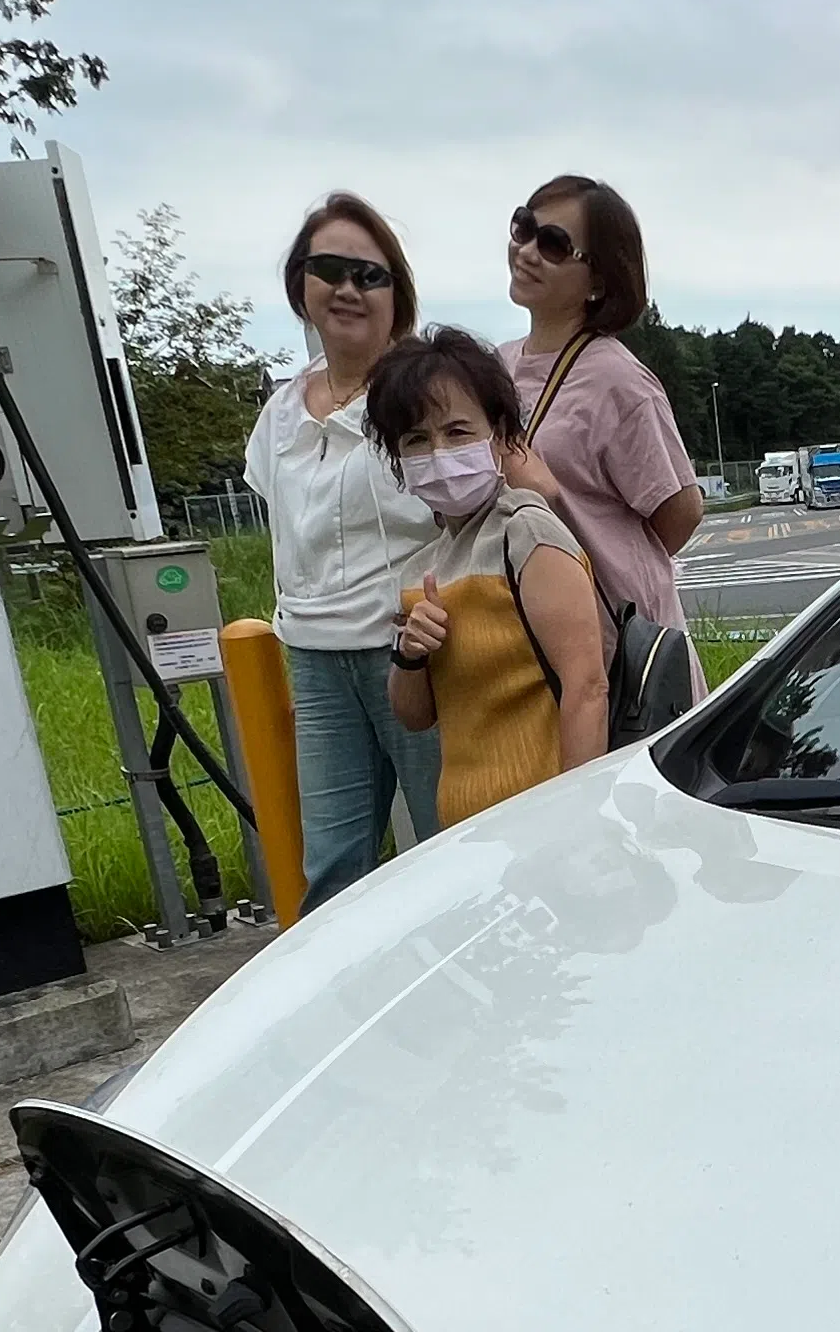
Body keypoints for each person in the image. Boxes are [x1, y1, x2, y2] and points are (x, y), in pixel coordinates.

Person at [242, 194, 438, 905]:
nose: (349, 289)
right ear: (301, 282)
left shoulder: (426, 394)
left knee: (452, 842)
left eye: (370, 274)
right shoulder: (282, 412)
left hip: (419, 654)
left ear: (397, 294)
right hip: (316, 661)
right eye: (329, 269)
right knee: (330, 869)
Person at [373, 329, 611, 822]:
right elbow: (415, 718)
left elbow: (588, 686)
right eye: (416, 439)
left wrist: (579, 816)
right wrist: (410, 654)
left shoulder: (526, 530)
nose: (438, 452)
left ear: (500, 437)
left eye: (457, 432)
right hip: (465, 829)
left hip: (544, 818)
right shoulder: (424, 567)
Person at [501, 177, 705, 648]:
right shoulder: (495, 367)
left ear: (597, 280)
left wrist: (607, 555)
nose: (527, 251)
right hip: (530, 637)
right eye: (523, 228)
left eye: (554, 244)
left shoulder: (619, 381)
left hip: (614, 644)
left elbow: (681, 511)